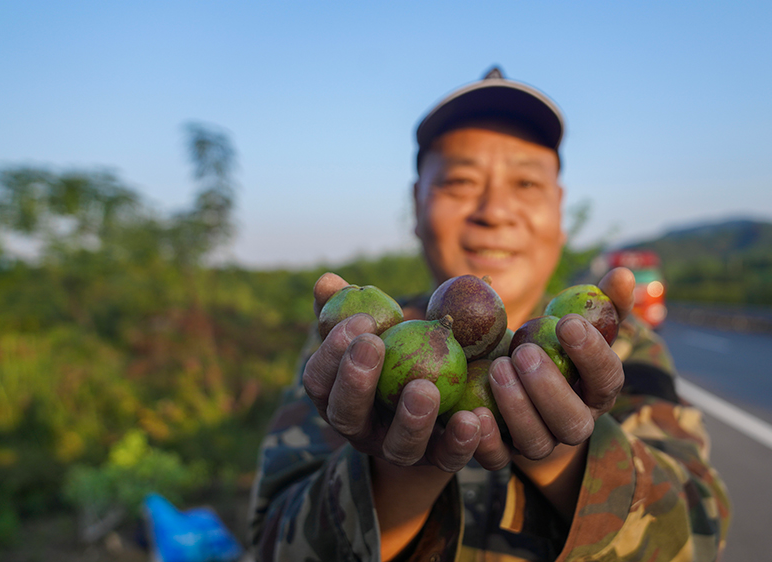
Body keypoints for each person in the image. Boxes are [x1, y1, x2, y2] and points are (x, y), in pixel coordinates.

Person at [248, 67, 731, 562]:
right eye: (459, 181)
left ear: (559, 212)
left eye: (525, 182)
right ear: (416, 205)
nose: (494, 210)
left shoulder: (626, 353)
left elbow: (698, 538)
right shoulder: (358, 352)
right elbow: (267, 548)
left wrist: (571, 452)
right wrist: (397, 471)